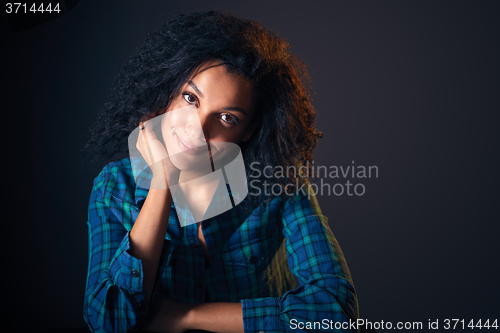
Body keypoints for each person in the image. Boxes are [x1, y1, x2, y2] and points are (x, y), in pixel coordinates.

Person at [83, 11, 359, 333]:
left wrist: (185, 317)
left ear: (248, 131)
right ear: (168, 94)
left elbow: (335, 311)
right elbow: (108, 321)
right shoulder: (115, 188)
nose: (196, 130)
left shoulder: (279, 185)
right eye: (190, 98)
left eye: (226, 118)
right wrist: (162, 181)